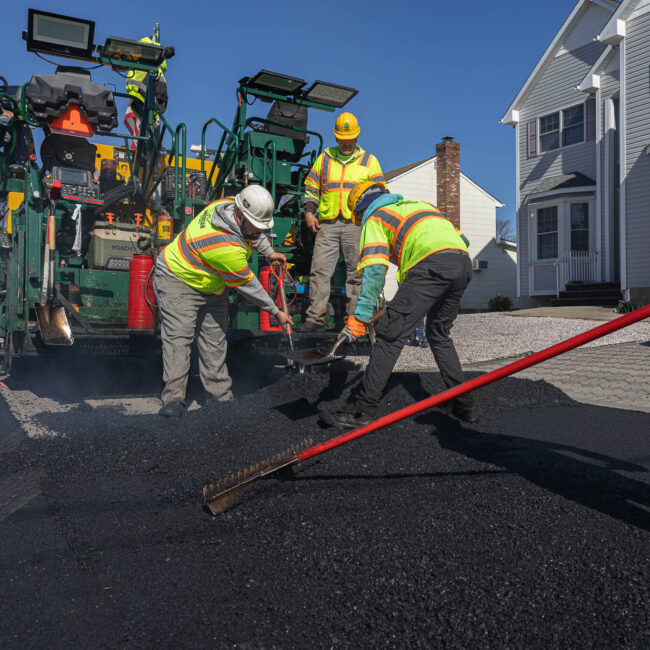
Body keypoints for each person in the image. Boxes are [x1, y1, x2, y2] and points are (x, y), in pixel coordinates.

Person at [320, 181, 478, 429]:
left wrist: (360, 318)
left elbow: (374, 271)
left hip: (431, 266)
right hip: (461, 264)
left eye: (358, 219)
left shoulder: (375, 218)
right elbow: (463, 240)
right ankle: (464, 404)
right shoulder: (419, 206)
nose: (360, 223)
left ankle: (363, 410)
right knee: (438, 334)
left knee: (389, 336)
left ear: (360, 211)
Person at [153, 184, 292, 417]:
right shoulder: (223, 246)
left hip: (211, 283)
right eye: (256, 227)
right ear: (240, 216)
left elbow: (252, 236)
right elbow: (250, 287)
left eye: (262, 227)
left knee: (215, 341)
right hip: (177, 278)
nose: (260, 232)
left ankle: (220, 399)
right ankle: (173, 400)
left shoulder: (227, 205)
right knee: (179, 339)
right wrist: (277, 312)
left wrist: (269, 252)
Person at [296, 112, 385, 332]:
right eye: (342, 139)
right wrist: (309, 212)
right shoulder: (325, 158)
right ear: (336, 137)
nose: (346, 144)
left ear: (357, 137)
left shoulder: (369, 162)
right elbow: (311, 188)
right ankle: (314, 320)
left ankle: (353, 322)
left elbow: (380, 193)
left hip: (356, 225)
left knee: (356, 274)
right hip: (327, 224)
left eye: (350, 139)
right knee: (319, 271)